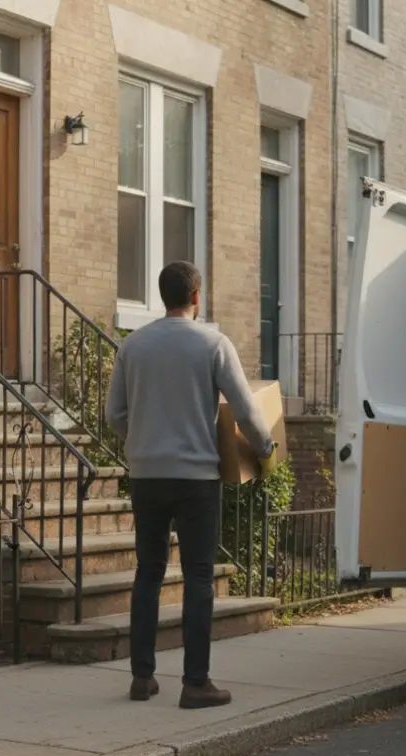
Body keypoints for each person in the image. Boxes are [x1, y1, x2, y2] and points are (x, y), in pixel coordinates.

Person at [105, 261, 278, 710]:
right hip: (197, 478)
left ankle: (142, 677)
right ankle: (195, 682)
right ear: (196, 296)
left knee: (148, 572)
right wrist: (266, 448)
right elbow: (245, 412)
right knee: (199, 575)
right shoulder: (213, 344)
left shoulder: (133, 347)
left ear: (163, 297)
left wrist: (143, 443)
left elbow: (114, 416)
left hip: (147, 475)